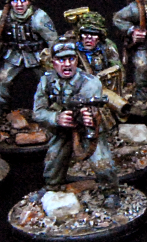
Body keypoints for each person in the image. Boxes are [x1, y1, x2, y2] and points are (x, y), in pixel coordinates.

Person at [32, 37, 119, 206]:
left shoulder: (90, 83)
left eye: (71, 59)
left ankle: (111, 191)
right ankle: (52, 187)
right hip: (62, 128)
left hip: (88, 129)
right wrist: (56, 118)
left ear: (77, 60)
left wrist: (89, 118)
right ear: (53, 62)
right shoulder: (46, 81)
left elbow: (94, 110)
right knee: (53, 159)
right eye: (61, 60)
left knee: (102, 162)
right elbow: (38, 112)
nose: (67, 64)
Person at [0, 0, 57, 116]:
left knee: (50, 80)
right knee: (2, 79)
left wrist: (53, 58)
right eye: (15, 1)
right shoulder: (4, 16)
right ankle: (1, 108)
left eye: (23, 0)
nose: (19, 4)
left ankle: (52, 109)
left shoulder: (39, 17)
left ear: (29, 1)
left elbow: (53, 39)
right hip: (14, 55)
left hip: (38, 55)